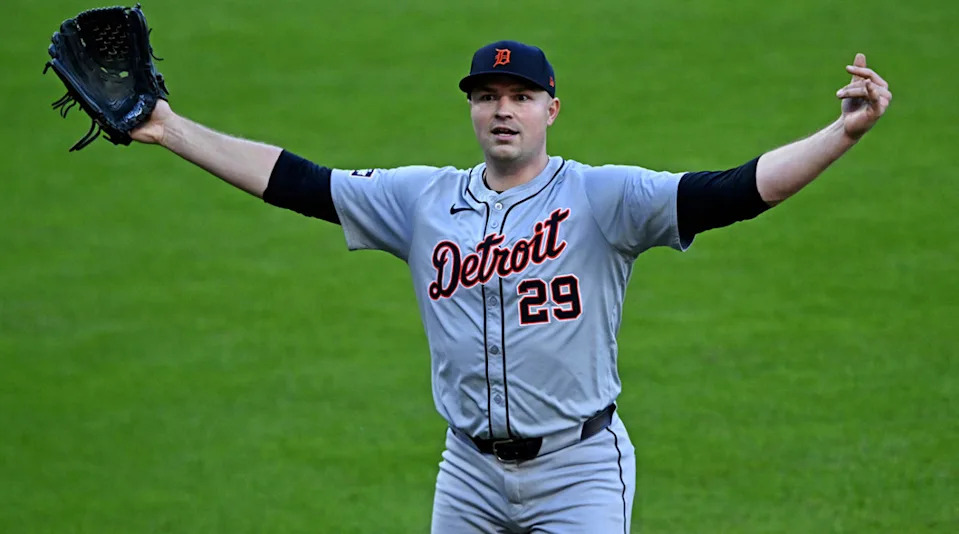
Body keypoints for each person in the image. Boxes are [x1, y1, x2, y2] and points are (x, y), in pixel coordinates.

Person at [129, 40, 891, 533]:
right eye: (487, 95)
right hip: (466, 472)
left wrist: (841, 135)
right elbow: (296, 181)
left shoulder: (604, 197)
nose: (502, 109)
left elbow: (733, 191)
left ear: (550, 109)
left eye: (520, 96)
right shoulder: (418, 199)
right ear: (469, 107)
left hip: (579, 469)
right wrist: (172, 127)